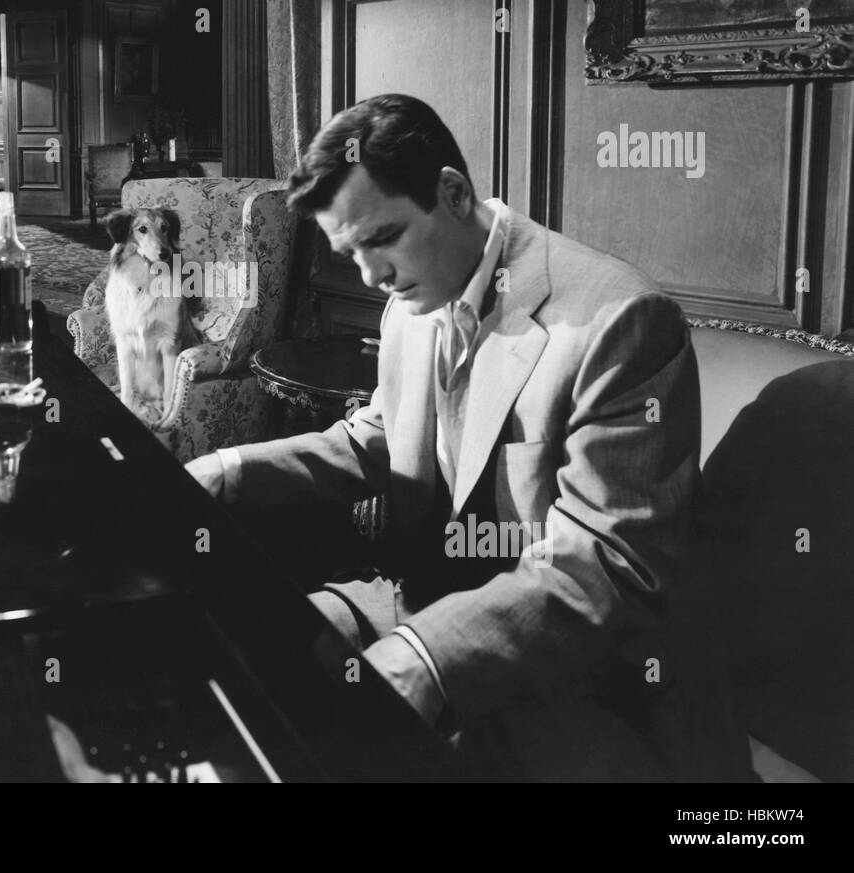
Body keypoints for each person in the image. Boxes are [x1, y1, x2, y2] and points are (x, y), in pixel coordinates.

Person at [185, 94, 749, 782]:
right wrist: (222, 469)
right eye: (349, 252)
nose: (370, 276)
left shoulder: (619, 321)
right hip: (418, 605)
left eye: (382, 237)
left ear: (451, 192)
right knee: (239, 659)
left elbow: (606, 564)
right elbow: (382, 438)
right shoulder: (412, 300)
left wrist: (425, 655)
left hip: (579, 679)